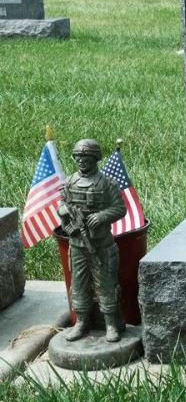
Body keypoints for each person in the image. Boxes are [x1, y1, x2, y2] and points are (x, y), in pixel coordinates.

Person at [57, 139, 127, 343]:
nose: (81, 161)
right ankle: (81, 322)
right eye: (78, 157)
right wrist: (62, 209)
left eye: (85, 158)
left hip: (101, 246)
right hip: (77, 246)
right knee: (78, 285)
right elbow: (63, 203)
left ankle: (111, 324)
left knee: (106, 284)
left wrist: (102, 216)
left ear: (95, 159)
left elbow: (120, 208)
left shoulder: (107, 184)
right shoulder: (70, 182)